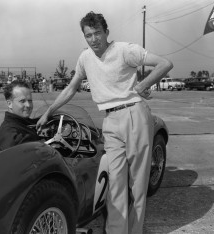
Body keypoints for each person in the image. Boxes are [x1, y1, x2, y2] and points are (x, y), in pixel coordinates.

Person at [36, 11, 173, 234]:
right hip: (110, 119)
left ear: (106, 32)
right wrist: (49, 111)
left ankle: (135, 230)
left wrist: (141, 85)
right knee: (115, 182)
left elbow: (165, 63)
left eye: (97, 33)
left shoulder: (124, 50)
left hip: (134, 114)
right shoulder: (85, 58)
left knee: (137, 184)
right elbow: (71, 87)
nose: (93, 39)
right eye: (88, 35)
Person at [0, 80, 39, 151]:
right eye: (22, 101)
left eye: (30, 101)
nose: (28, 105)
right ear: (9, 104)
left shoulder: (22, 123)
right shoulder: (11, 135)